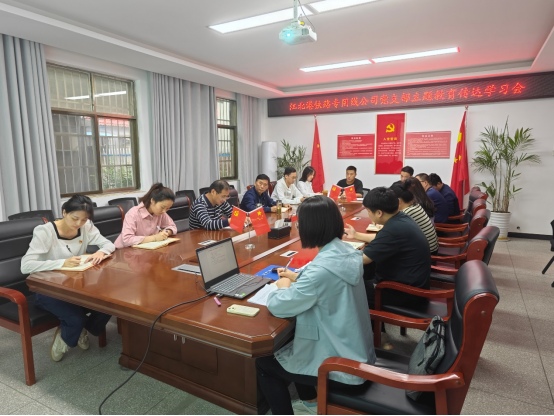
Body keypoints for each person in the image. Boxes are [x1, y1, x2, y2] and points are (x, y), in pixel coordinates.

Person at [256, 196, 375, 415]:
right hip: (356, 351)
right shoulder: (347, 251)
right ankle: (310, 401)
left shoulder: (319, 272)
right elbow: (326, 283)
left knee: (264, 364)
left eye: (300, 224)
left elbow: (279, 306)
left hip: (340, 366)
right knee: (292, 342)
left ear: (310, 228)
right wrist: (298, 277)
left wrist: (282, 286)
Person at [20, 195, 116, 362]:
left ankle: (80, 330)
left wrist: (101, 252)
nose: (79, 223)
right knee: (75, 319)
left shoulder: (86, 226)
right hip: (48, 288)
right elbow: (26, 266)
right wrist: (63, 263)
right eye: (75, 218)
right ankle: (66, 338)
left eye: (84, 219)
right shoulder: (45, 232)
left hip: (76, 285)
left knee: (109, 305)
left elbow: (109, 244)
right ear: (64, 212)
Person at [344, 187, 430, 309]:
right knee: (363, 273)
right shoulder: (400, 218)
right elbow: (379, 239)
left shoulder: (393, 230)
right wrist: (356, 235)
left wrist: (336, 252)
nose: (368, 214)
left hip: (406, 293)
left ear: (379, 213)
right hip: (411, 282)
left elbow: (364, 259)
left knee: (348, 287)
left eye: (368, 211)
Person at [114, 183, 177, 248]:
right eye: (162, 207)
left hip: (143, 249)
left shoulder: (161, 213)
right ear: (152, 201)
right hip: (123, 251)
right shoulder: (133, 214)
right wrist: (155, 238)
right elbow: (127, 240)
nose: (164, 211)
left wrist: (166, 232)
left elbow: (172, 226)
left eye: (167, 208)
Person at [390, 183, 439, 254]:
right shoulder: (415, 205)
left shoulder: (407, 212)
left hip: (427, 252)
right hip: (431, 247)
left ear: (399, 201)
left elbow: (393, 234)